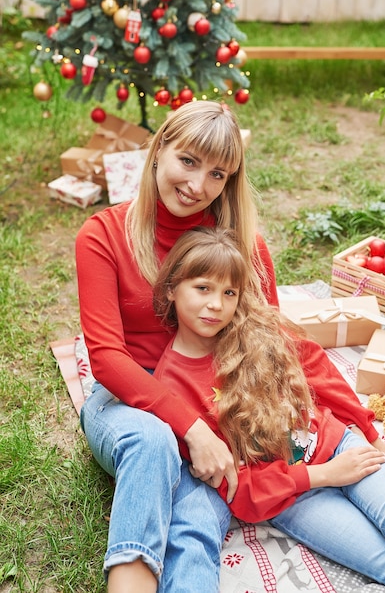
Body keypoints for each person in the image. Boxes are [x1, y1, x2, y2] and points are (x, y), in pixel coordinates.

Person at [75, 100, 279, 593]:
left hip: (214, 402)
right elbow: (106, 359)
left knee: (197, 519)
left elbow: (268, 345)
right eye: (188, 161)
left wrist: (225, 423)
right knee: (153, 441)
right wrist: (190, 429)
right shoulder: (102, 235)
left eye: (217, 174)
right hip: (128, 399)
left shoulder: (239, 244)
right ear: (159, 149)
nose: (198, 186)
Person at [153, 225, 385, 593]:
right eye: (202, 288)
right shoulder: (171, 388)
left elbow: (321, 376)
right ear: (171, 289)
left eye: (229, 292)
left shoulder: (257, 329)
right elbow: (237, 489)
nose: (216, 304)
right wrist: (323, 475)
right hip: (295, 495)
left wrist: (372, 437)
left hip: (338, 445)